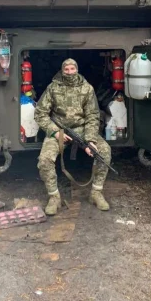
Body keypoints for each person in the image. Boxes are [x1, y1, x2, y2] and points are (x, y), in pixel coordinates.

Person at [35, 58, 112, 215]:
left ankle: (96, 193)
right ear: (62, 71)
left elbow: (92, 115)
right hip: (59, 130)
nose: (70, 72)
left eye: (72, 69)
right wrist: (55, 132)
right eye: (66, 69)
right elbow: (40, 113)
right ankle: (54, 197)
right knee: (44, 160)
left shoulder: (86, 88)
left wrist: (90, 140)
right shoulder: (53, 88)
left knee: (104, 151)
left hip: (82, 129)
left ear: (77, 69)